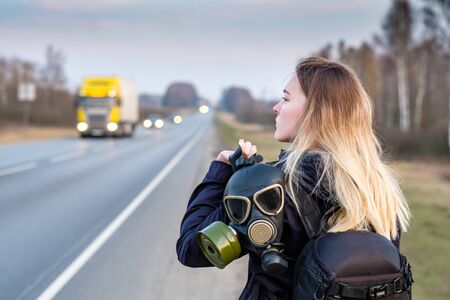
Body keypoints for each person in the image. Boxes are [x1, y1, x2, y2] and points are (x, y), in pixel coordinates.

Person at [176, 56, 411, 300]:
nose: (276, 108)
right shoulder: (377, 188)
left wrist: (221, 169)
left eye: (286, 99)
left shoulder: (267, 189)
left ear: (316, 112)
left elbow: (191, 248)